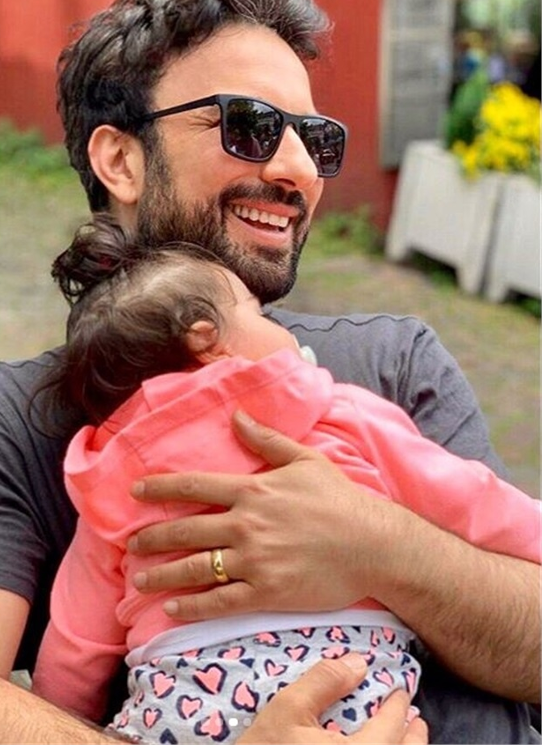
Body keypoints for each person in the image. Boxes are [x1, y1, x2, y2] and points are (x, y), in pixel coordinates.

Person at [0, 0, 539, 745]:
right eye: (249, 126)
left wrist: (378, 546)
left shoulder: (392, 359)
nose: (299, 168)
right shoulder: (4, 421)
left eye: (314, 138)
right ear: (120, 159)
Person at [30, 218, 540, 743]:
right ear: (207, 339)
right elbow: (461, 493)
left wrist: (58, 707)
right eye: (259, 313)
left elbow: (77, 637)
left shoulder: (113, 475)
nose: (284, 330)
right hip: (349, 678)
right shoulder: (330, 409)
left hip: (183, 700)